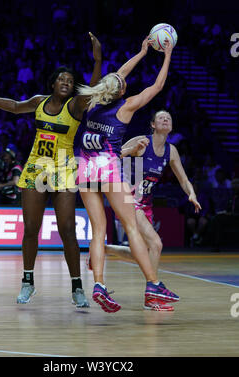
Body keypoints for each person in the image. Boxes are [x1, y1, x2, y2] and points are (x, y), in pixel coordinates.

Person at [0, 32, 102, 308]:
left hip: (63, 169)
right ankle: (28, 283)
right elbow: (15, 107)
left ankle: (77, 287)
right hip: (36, 168)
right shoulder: (39, 101)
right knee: (30, 229)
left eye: (70, 81)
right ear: (52, 83)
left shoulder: (75, 105)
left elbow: (93, 89)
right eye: (61, 79)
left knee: (66, 230)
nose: (66, 82)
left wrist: (97, 59)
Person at [77, 37, 178, 314]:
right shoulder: (125, 107)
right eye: (123, 84)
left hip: (84, 168)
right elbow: (157, 86)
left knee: (98, 231)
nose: (125, 81)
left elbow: (118, 75)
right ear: (120, 92)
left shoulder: (92, 104)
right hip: (107, 166)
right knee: (131, 227)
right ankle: (153, 283)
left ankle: (98, 284)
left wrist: (142, 51)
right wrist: (166, 54)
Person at [103, 110, 202, 311]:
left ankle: (103, 250)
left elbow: (183, 179)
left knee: (146, 254)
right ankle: (152, 293)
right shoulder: (142, 141)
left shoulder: (171, 150)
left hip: (145, 203)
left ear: (171, 127)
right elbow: (114, 155)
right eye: (161, 118)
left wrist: (191, 193)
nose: (165, 119)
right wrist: (132, 150)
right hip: (128, 198)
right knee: (156, 244)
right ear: (153, 125)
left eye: (169, 118)